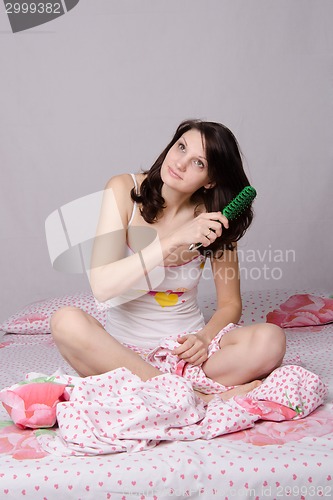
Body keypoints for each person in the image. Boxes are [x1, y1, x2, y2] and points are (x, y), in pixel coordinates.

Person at [50, 119, 286, 403]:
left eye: (199, 163)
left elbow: (230, 304)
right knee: (65, 322)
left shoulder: (214, 216)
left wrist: (204, 338)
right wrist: (172, 240)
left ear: (210, 179)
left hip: (187, 356)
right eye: (181, 147)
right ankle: (195, 396)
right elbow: (102, 286)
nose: (181, 163)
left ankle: (164, 389)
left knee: (271, 340)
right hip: (119, 353)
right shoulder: (123, 189)